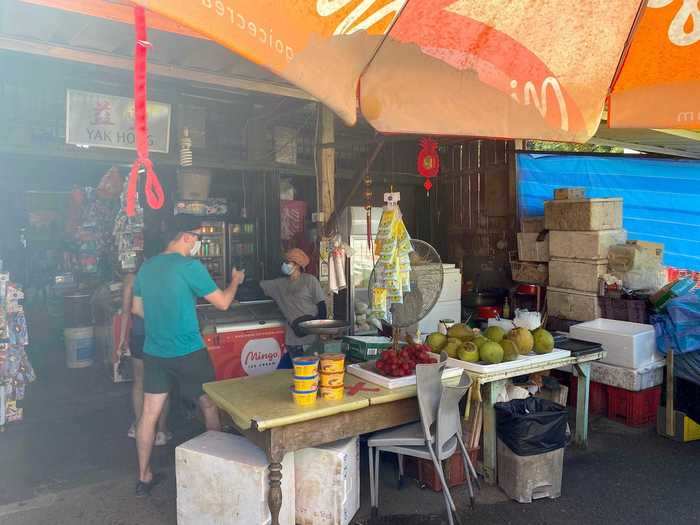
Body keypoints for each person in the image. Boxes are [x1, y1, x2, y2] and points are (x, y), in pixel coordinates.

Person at [132, 216, 245, 497]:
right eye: (197, 237)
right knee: (207, 405)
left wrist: (163, 321)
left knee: (148, 414)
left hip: (155, 352)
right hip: (189, 351)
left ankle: (143, 476)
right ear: (186, 237)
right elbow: (223, 303)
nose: (197, 243)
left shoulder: (146, 268)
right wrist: (235, 281)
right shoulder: (189, 266)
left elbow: (136, 308)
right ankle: (217, 463)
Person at [112, 266, 171, 446]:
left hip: (139, 334)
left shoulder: (131, 279)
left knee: (139, 381)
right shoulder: (164, 272)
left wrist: (121, 340)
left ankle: (139, 426)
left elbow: (125, 311)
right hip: (161, 334)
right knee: (163, 382)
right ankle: (161, 431)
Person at [260, 248, 327, 361]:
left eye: (287, 262)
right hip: (293, 341)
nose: (284, 265)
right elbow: (259, 287)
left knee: (311, 373)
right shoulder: (279, 284)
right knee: (300, 373)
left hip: (311, 341)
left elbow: (322, 306)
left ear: (297, 265)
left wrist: (322, 331)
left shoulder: (310, 281)